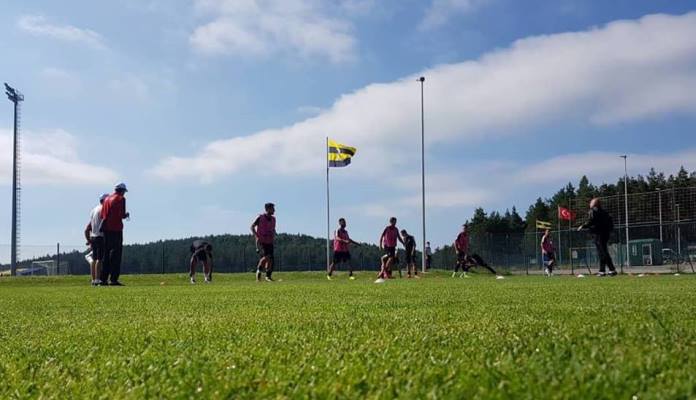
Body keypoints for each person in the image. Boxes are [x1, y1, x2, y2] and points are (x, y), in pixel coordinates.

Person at [578, 198, 617, 276]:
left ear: (595, 204)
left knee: (602, 252)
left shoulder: (593, 211)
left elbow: (591, 221)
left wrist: (583, 226)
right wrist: (610, 231)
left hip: (598, 234)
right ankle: (602, 271)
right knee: (602, 252)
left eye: (591, 202)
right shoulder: (604, 212)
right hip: (605, 234)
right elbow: (610, 222)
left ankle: (612, 269)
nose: (590, 203)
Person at [100, 183, 129, 286]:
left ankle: (103, 279)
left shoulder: (107, 199)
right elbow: (121, 214)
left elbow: (102, 214)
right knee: (116, 255)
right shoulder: (121, 199)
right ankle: (113, 279)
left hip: (106, 229)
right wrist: (125, 215)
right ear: (122, 191)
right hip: (116, 229)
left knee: (106, 255)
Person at [84, 194, 109, 286]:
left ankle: (93, 279)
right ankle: (98, 279)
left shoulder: (94, 210)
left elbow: (87, 229)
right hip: (100, 236)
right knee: (100, 259)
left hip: (93, 236)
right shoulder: (103, 209)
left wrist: (89, 240)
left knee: (94, 259)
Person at [251, 203, 276, 282]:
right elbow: (252, 227)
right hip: (262, 241)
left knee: (270, 259)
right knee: (267, 256)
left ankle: (268, 276)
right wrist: (257, 236)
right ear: (267, 209)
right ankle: (258, 271)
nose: (274, 210)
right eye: (272, 208)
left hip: (270, 241)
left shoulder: (273, 219)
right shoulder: (260, 217)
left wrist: (274, 234)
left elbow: (273, 229)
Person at [376, 217, 403, 283]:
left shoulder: (396, 229)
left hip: (393, 247)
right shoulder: (387, 228)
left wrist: (403, 243)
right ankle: (386, 272)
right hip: (387, 246)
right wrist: (380, 244)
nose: (395, 223)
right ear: (390, 222)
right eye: (394, 221)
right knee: (390, 258)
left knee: (389, 259)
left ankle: (385, 273)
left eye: (395, 222)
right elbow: (382, 236)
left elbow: (399, 237)